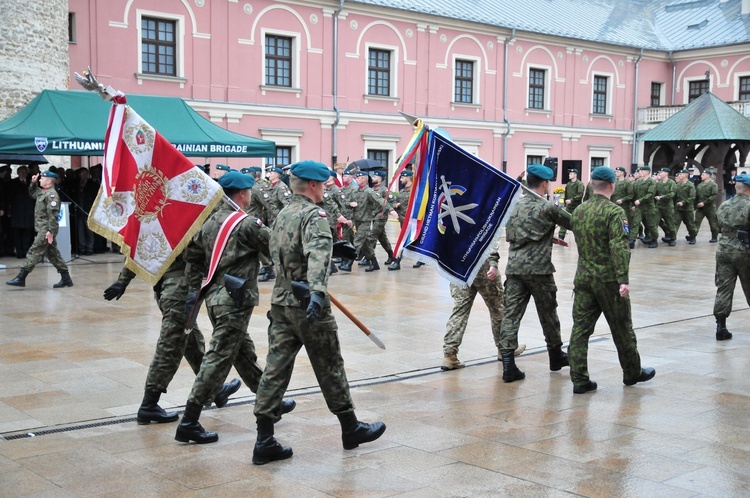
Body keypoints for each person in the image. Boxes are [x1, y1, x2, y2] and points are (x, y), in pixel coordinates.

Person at [252, 160, 386, 465]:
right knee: (330, 365)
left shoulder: (284, 212)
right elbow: (315, 254)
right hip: (309, 305)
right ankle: (350, 428)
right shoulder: (315, 214)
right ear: (313, 186)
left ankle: (264, 439)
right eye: (323, 184)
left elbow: (281, 250)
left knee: (275, 368)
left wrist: (335, 246)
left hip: (282, 302)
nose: (325, 188)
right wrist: (316, 291)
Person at [175, 171, 295, 444]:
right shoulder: (247, 224)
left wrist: (194, 291)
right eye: (249, 191)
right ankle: (189, 420)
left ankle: (271, 402)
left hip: (215, 300)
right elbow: (279, 246)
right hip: (235, 301)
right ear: (242, 194)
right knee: (217, 359)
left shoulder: (209, 222)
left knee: (243, 354)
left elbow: (191, 256)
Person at [103, 263, 240, 425]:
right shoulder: (184, 235)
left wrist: (123, 280)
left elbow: (139, 250)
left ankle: (214, 389)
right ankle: (149, 404)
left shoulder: (157, 235)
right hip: (179, 292)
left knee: (193, 343)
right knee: (169, 348)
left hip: (166, 289)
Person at [568, 167, 655, 394]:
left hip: (584, 278)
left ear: (591, 185)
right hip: (608, 280)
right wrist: (623, 279)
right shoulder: (614, 212)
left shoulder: (579, 210)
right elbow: (619, 246)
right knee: (622, 327)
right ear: (612, 186)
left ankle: (579, 379)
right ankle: (632, 372)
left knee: (580, 330)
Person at [497, 164, 571, 382]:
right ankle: (555, 355)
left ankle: (508, 365)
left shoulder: (514, 206)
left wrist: (548, 236)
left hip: (515, 268)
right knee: (548, 313)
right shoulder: (547, 207)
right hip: (539, 269)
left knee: (511, 315)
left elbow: (518, 232)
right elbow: (575, 222)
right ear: (545, 183)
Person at [441, 242, 526, 371]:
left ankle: (449, 355)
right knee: (497, 308)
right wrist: (493, 263)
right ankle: (505, 349)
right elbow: (490, 236)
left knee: (460, 310)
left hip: (459, 265)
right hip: (482, 264)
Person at [6, 171, 73, 289]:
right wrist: (33, 183)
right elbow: (32, 193)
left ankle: (21, 277)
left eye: (42, 178)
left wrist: (50, 231)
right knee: (53, 254)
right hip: (43, 228)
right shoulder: (43, 193)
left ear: (49, 181)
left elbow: (53, 215)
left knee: (34, 250)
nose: (40, 180)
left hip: (46, 229)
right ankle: (66, 278)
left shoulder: (52, 195)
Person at [711, 173, 750, 341]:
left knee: (724, 289)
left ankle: (721, 327)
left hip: (723, 249)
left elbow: (717, 225)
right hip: (744, 250)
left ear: (737, 187)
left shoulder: (724, 205)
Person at [8, 165, 35, 258]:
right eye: (22, 172)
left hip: (28, 211)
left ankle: (26, 251)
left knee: (28, 232)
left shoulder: (30, 183)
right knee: (17, 233)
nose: (23, 173)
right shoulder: (12, 183)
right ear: (18, 173)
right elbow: (9, 198)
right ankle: (19, 252)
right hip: (17, 212)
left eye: (25, 172)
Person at [389, 169, 413, 271]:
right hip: (402, 221)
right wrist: (395, 205)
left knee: (404, 241)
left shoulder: (414, 191)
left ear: (408, 178)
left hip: (411, 221)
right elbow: (395, 202)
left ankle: (397, 261)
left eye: (402, 177)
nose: (401, 179)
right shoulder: (402, 191)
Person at [630, 166, 658, 248]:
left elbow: (650, 194)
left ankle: (654, 239)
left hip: (648, 207)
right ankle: (632, 240)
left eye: (642, 171)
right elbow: (634, 194)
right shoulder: (638, 182)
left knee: (651, 224)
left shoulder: (651, 182)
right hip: (639, 207)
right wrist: (633, 204)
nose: (640, 172)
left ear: (647, 172)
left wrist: (640, 200)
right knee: (635, 222)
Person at [557, 168, 583, 241]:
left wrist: (572, 200)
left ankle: (580, 237)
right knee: (564, 220)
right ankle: (561, 236)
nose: (569, 175)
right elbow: (566, 194)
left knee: (577, 221)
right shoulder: (568, 184)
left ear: (575, 175)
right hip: (569, 206)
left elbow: (580, 194)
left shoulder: (579, 184)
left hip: (576, 206)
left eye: (571, 174)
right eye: (569, 174)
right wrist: (565, 202)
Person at [695, 168, 719, 243]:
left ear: (708, 175)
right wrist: (695, 204)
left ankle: (714, 237)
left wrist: (704, 203)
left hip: (710, 207)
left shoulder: (713, 185)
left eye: (703, 174)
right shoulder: (699, 185)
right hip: (700, 208)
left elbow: (713, 196)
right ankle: (693, 236)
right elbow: (696, 196)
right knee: (696, 222)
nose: (701, 176)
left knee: (713, 223)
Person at [674, 169, 698, 244]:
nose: (679, 176)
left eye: (681, 174)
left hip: (687, 209)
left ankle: (692, 237)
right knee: (675, 223)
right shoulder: (678, 185)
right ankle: (672, 238)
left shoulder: (690, 185)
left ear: (686, 175)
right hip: (678, 208)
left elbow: (692, 197)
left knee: (690, 224)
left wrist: (683, 202)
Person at [654, 167, 677, 246]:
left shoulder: (671, 183)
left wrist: (661, 197)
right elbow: (655, 193)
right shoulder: (659, 183)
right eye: (660, 172)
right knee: (655, 222)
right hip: (659, 206)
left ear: (667, 173)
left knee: (670, 223)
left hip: (668, 207)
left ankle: (673, 238)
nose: (660, 173)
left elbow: (672, 194)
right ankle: (654, 239)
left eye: (662, 172)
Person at [611, 167, 634, 241]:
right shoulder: (614, 182)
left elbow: (631, 195)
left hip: (624, 207)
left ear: (622, 173)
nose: (616, 172)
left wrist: (622, 199)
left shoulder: (627, 183)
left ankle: (628, 237)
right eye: (616, 171)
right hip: (614, 206)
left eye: (618, 171)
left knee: (625, 223)